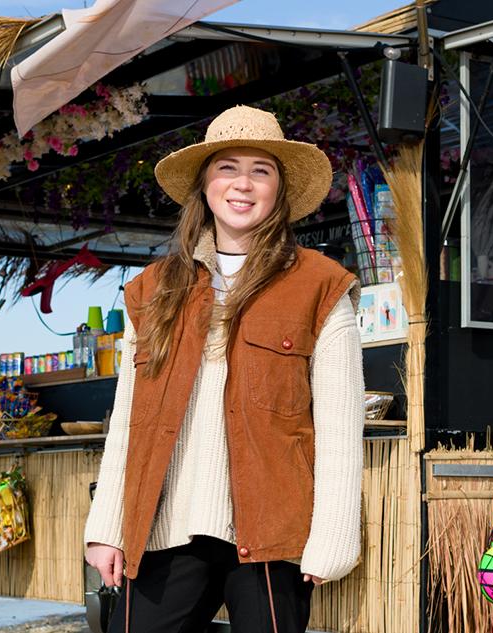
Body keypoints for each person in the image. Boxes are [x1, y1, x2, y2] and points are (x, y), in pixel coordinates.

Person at [81, 105, 365, 633]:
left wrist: (334, 536)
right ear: (204, 186)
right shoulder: (151, 289)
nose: (243, 183)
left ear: (279, 189)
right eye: (227, 167)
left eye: (262, 170)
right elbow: (127, 422)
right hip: (165, 525)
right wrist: (106, 527)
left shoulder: (322, 287)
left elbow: (340, 426)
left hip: (272, 532)